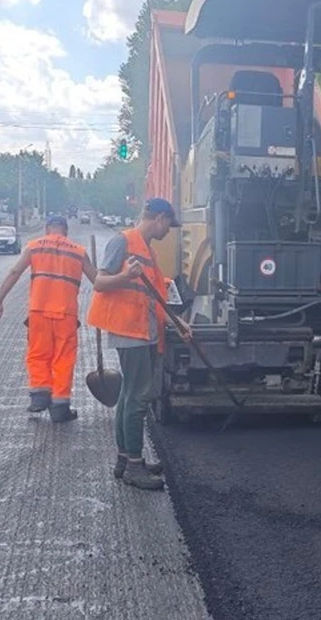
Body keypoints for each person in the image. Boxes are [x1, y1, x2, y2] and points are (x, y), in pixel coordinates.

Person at [87, 198, 192, 490]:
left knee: (130, 395)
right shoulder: (123, 242)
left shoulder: (147, 250)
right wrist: (125, 275)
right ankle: (134, 465)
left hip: (143, 330)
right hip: (129, 330)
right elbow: (99, 282)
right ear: (158, 218)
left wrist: (178, 323)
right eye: (168, 225)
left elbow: (156, 297)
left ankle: (126, 459)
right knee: (139, 396)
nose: (168, 231)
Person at [0, 215, 97, 422]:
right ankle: (59, 407)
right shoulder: (78, 251)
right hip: (66, 314)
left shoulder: (35, 246)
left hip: (38, 312)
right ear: (65, 231)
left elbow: (15, 272)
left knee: (38, 354)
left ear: (47, 229)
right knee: (63, 359)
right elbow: (98, 281)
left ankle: (39, 397)